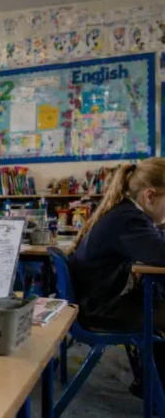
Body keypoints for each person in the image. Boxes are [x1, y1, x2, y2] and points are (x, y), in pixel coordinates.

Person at [68, 159, 165, 395]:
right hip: (101, 309)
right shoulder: (129, 220)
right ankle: (157, 390)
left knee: (158, 299)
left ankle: (152, 385)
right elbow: (161, 254)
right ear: (150, 196)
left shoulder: (124, 212)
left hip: (97, 300)